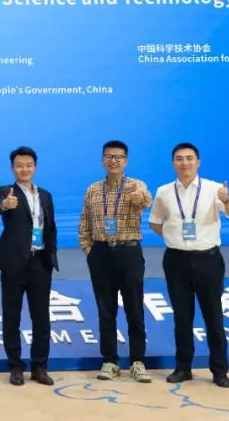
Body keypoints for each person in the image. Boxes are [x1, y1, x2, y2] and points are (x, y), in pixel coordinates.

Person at [149, 142, 229, 388]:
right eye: (179, 158)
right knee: (182, 317)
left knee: (213, 317)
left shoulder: (215, 189)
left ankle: (219, 370)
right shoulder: (164, 191)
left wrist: (227, 200)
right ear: (173, 163)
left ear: (198, 162)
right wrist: (175, 238)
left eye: (189, 158)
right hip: (176, 260)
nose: (184, 163)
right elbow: (155, 223)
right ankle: (183, 368)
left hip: (208, 260)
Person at [77, 140, 152, 383]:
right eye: (109, 156)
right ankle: (110, 361)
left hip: (128, 253)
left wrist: (138, 197)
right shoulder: (93, 189)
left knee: (134, 309)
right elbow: (84, 223)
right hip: (100, 254)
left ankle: (138, 362)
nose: (114, 161)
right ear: (102, 160)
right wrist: (89, 250)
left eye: (119, 157)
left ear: (126, 161)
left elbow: (146, 201)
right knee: (106, 311)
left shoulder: (136, 185)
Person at [0, 146, 58, 386]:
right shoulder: (6, 191)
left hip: (41, 263)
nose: (24, 169)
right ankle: (16, 366)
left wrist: (51, 256)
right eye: (19, 165)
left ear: (35, 167)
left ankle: (39, 366)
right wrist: (5, 204)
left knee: (42, 318)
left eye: (28, 165)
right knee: (11, 317)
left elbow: (51, 227)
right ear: (13, 168)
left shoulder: (46, 195)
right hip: (14, 264)